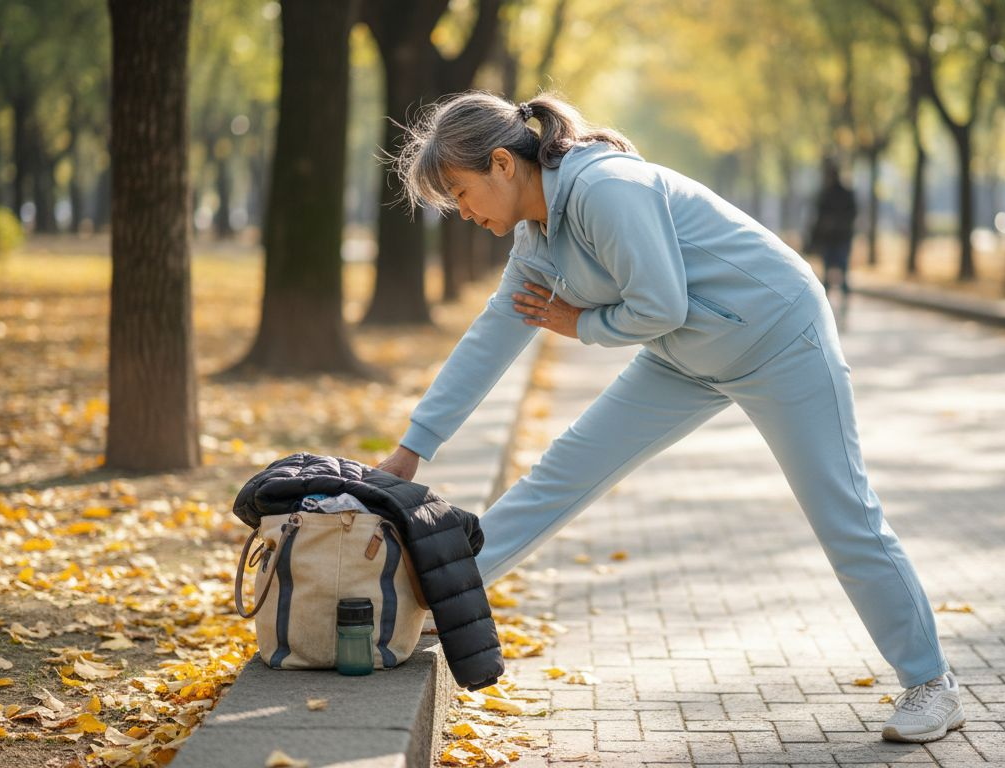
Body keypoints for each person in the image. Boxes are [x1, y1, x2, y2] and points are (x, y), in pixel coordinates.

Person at [374, 90, 963, 744]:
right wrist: (414, 447)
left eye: (460, 191)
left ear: (504, 166)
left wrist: (580, 324)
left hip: (779, 336)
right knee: (562, 472)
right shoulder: (536, 240)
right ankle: (444, 600)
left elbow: (660, 302)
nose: (462, 212)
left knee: (843, 512)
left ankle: (931, 682)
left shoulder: (605, 188)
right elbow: (491, 338)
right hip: (687, 358)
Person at [807, 157, 858, 304]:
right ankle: (839, 306)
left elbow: (819, 219)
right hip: (840, 239)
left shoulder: (827, 194)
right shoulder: (840, 193)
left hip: (836, 239)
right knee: (840, 274)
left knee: (832, 276)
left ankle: (828, 306)